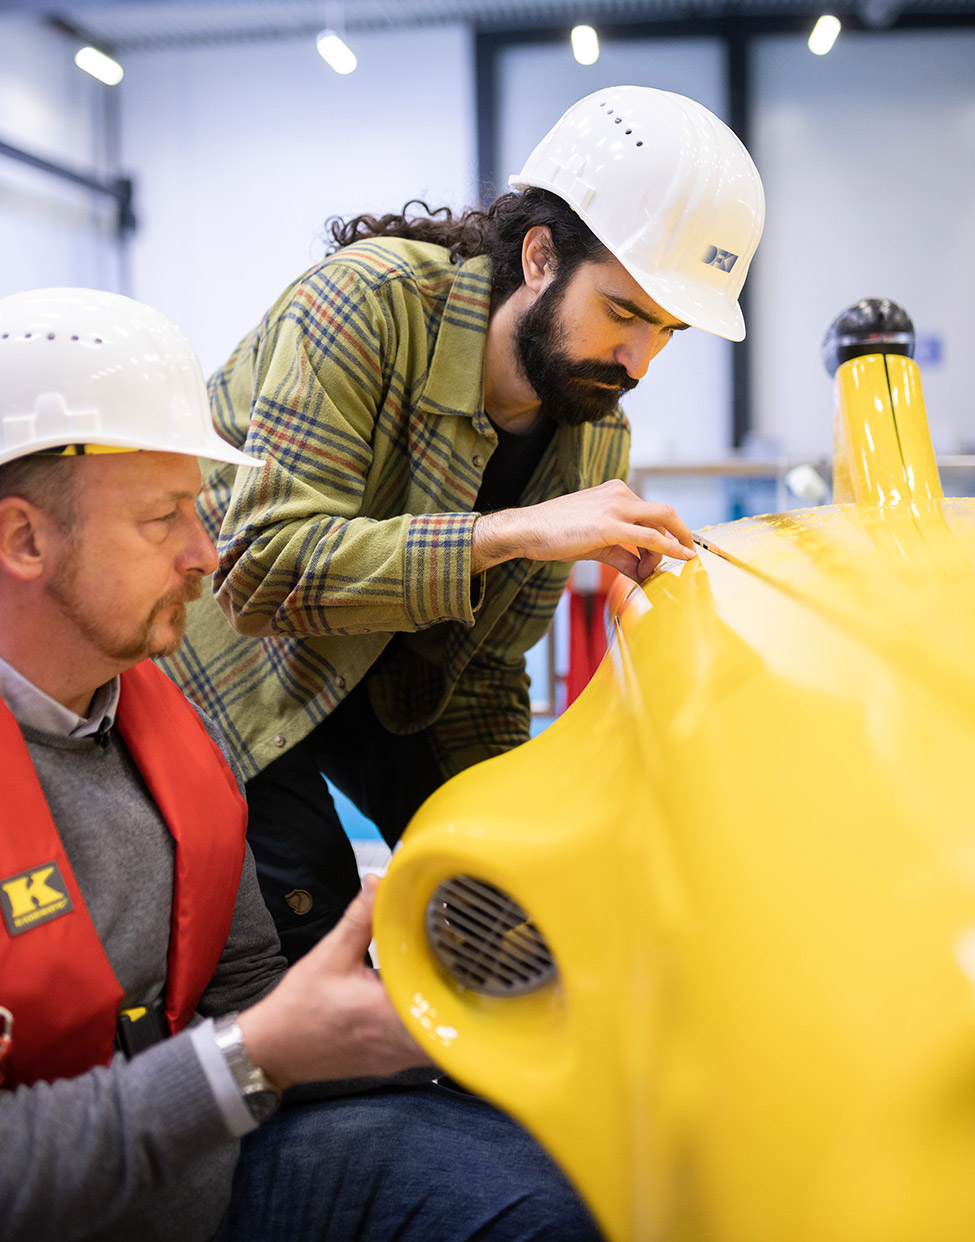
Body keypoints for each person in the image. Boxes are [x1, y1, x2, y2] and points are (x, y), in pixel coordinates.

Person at [0, 286, 604, 1242]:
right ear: (24, 539)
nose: (206, 554)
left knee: (554, 1184)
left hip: (199, 1172)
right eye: (163, 519)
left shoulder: (171, 726)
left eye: (200, 510)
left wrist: (437, 1032)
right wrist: (258, 1056)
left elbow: (244, 992)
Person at [160, 85, 766, 962]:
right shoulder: (363, 306)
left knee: (524, 929)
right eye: (625, 312)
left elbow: (480, 670)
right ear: (538, 257)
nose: (639, 360)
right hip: (232, 675)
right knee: (310, 953)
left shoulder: (596, 435)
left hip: (390, 687)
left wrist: (519, 836)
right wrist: (514, 532)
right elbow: (259, 572)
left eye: (670, 331)